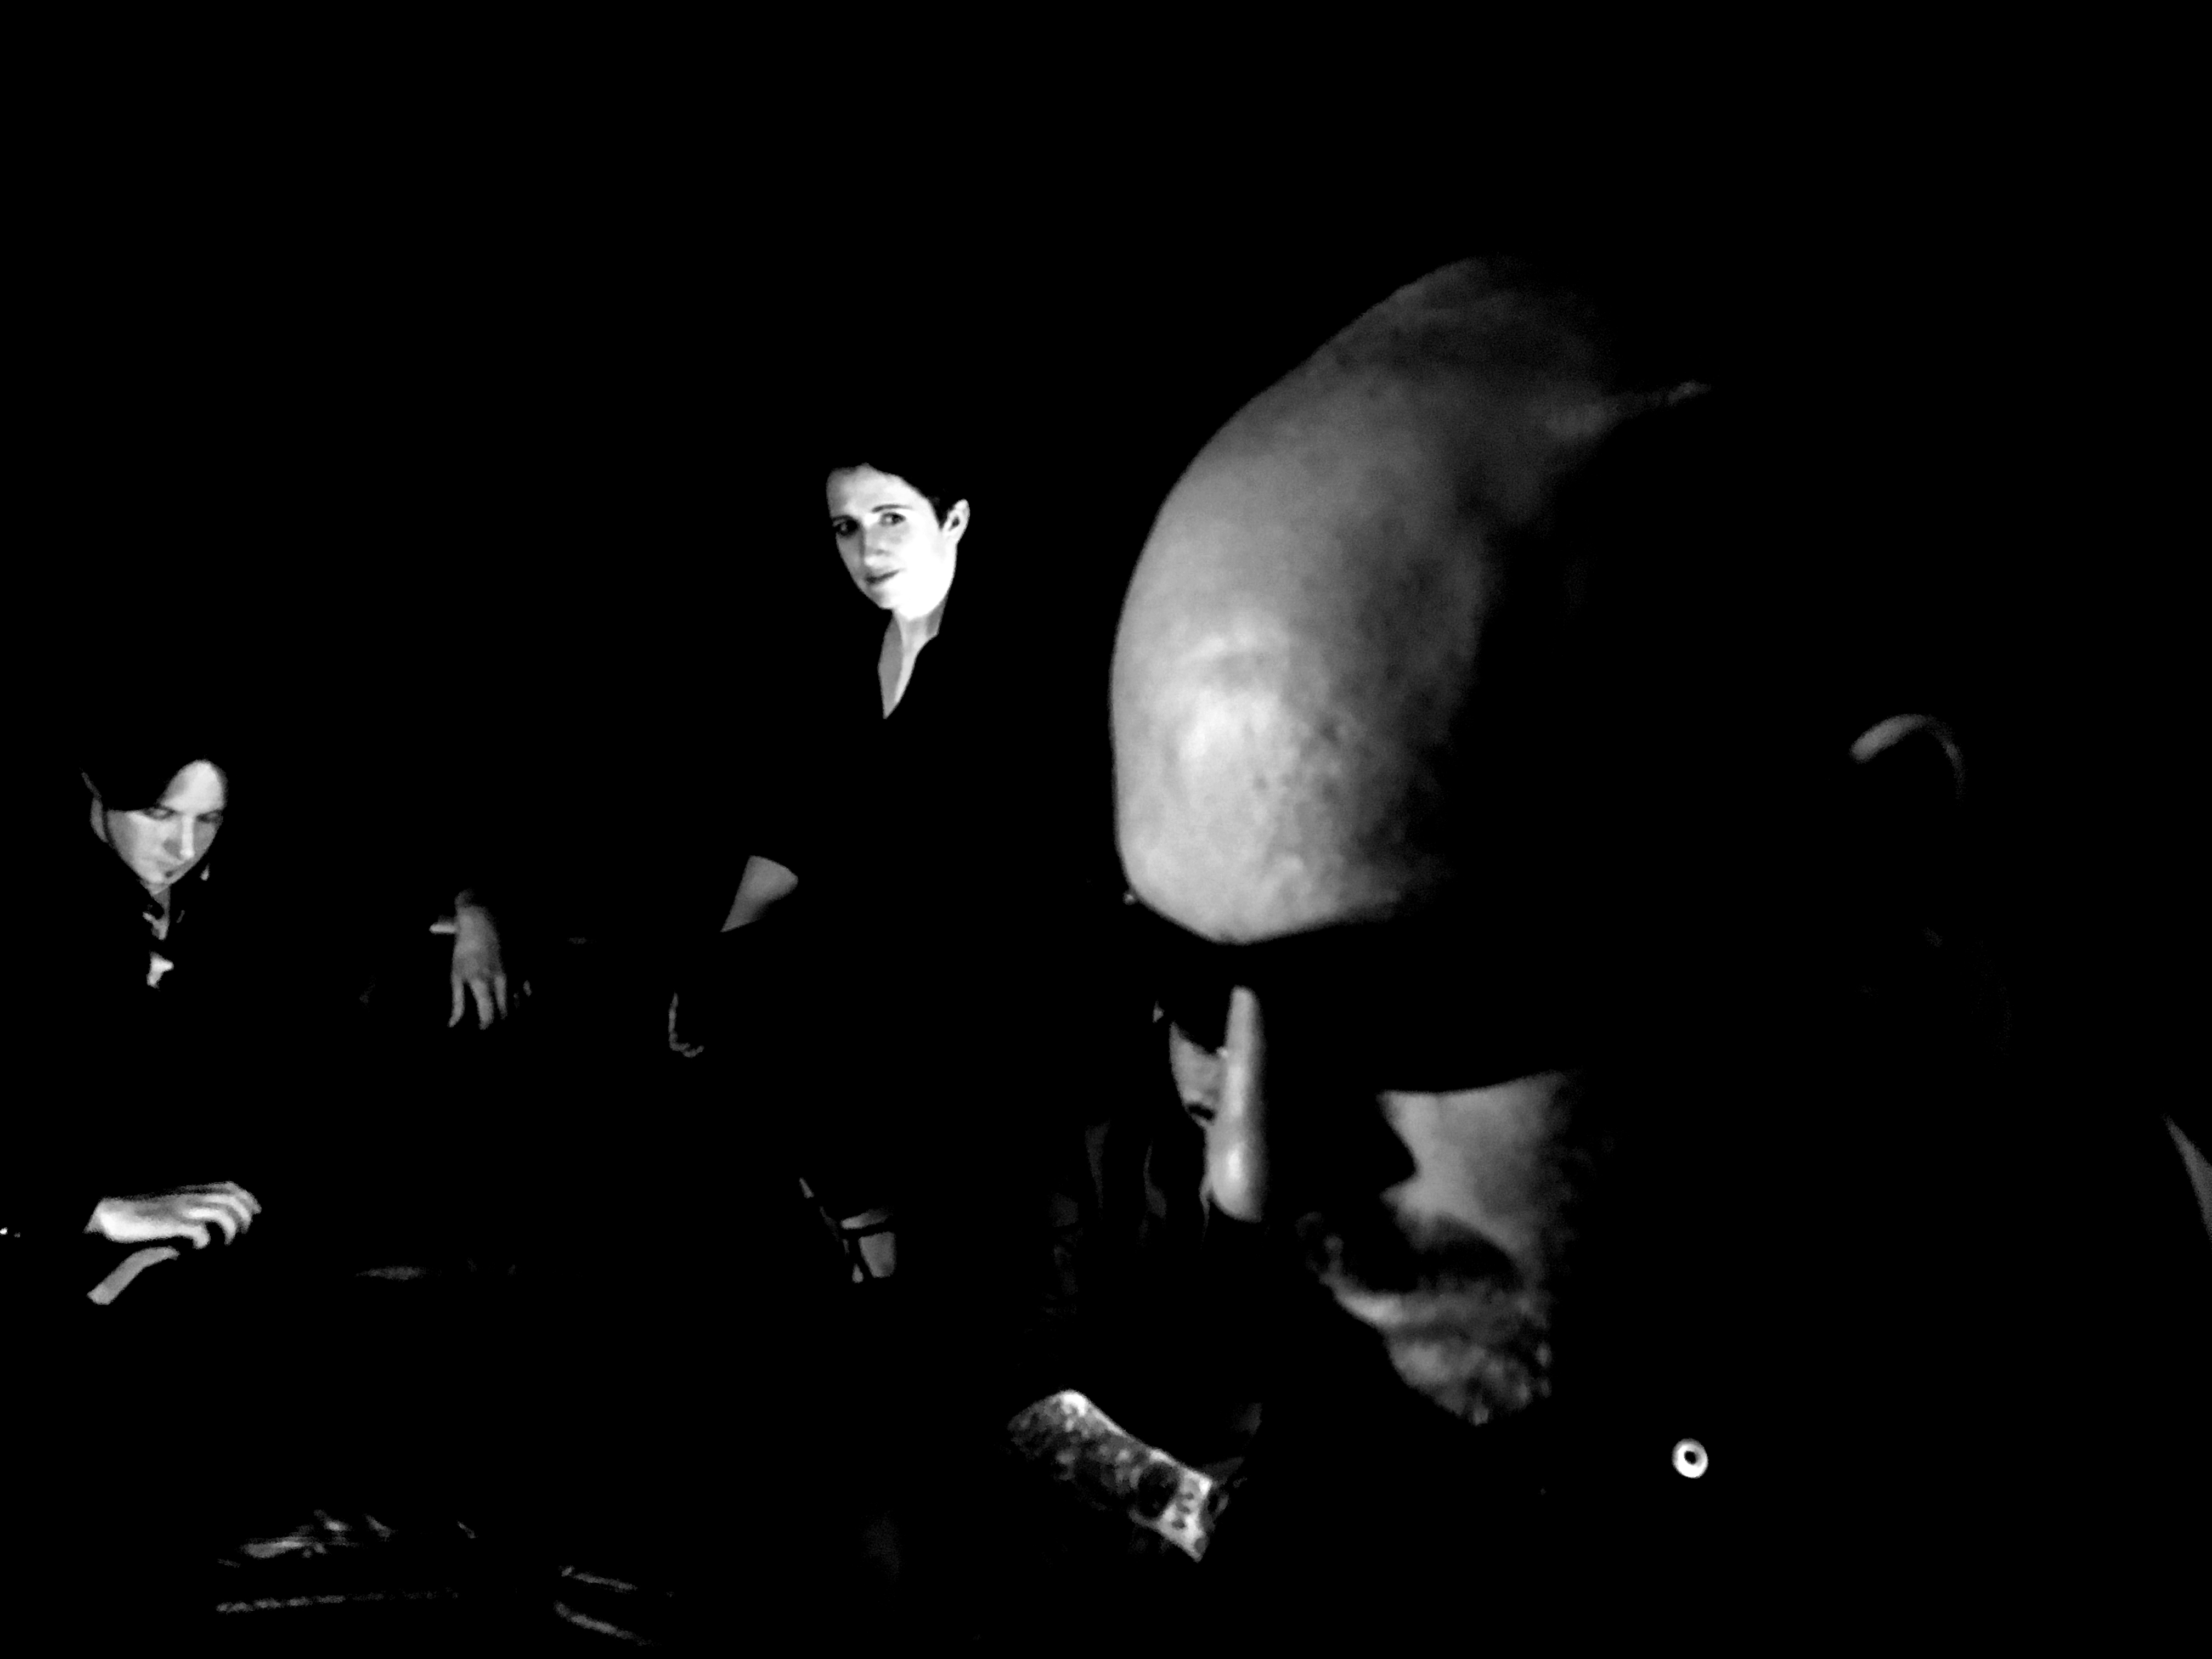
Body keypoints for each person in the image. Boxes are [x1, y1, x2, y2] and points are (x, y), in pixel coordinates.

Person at [1095, 257, 2209, 1639]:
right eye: (1196, 982)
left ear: (1874, 881)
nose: (1251, 1168)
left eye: (1405, 995)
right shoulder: (1430, 1338)